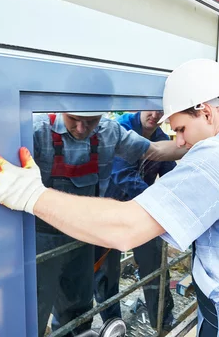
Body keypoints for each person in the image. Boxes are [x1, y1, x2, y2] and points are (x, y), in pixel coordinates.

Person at [0, 59, 219, 337]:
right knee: (38, 307)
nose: (181, 142)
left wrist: (29, 194)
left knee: (78, 305)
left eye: (182, 130)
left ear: (206, 111)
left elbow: (127, 226)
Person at [32, 111, 183, 336]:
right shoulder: (36, 131)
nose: (82, 129)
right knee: (35, 310)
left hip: (84, 236)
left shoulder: (109, 132)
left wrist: (197, 144)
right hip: (41, 241)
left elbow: (156, 151)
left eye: (91, 121)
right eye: (74, 120)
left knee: (77, 310)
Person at [96, 110, 176, 331]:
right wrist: (157, 204)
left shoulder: (161, 138)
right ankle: (114, 326)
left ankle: (163, 320)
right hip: (110, 210)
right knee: (107, 273)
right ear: (138, 106)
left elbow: (171, 175)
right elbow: (123, 175)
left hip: (142, 210)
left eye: (161, 110)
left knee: (155, 260)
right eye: (149, 108)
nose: (154, 114)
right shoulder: (121, 130)